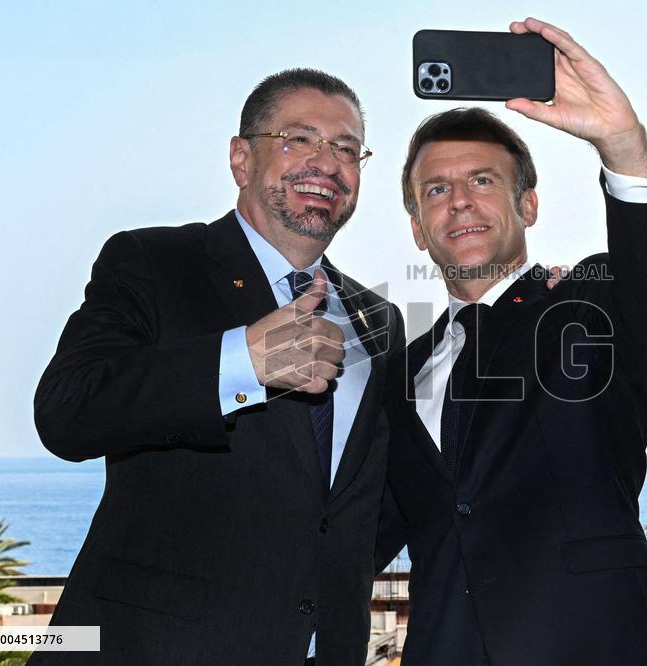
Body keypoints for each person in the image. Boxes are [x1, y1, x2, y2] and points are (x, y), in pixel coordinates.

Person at [33, 69, 404, 665]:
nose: (325, 162)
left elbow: (371, 500)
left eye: (345, 148)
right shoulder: (154, 260)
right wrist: (238, 364)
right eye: (298, 139)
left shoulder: (377, 318)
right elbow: (67, 412)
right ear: (241, 158)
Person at [376, 18, 647, 664]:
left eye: (483, 180)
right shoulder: (398, 372)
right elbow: (359, 531)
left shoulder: (589, 310)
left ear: (528, 205)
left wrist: (622, 142)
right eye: (436, 190)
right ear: (418, 229)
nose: (460, 203)